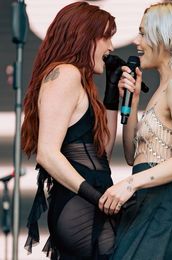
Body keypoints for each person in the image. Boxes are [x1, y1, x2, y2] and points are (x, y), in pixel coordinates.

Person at [99, 1, 172, 259]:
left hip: (163, 210)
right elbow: (131, 157)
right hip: (145, 206)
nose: (137, 40)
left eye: (144, 33)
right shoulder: (163, 88)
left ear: (167, 38)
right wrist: (134, 101)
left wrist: (130, 184)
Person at [21, 2, 119, 259]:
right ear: (84, 35)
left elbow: (102, 153)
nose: (112, 47)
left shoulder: (79, 79)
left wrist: (112, 94)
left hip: (88, 202)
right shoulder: (66, 74)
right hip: (81, 206)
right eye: (106, 36)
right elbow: (47, 154)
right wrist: (95, 197)